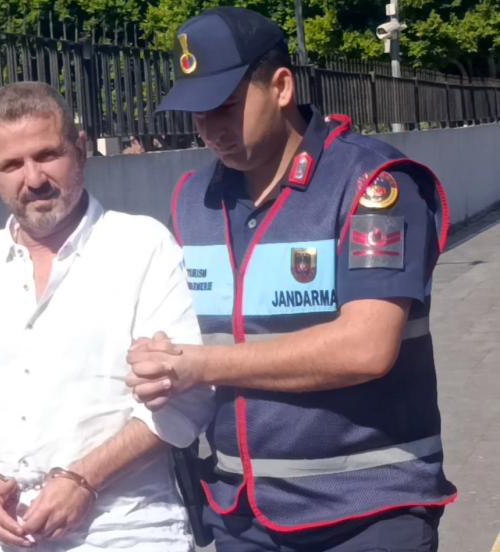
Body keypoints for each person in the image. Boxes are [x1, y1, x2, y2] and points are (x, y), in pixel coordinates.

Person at [126, 7, 457, 551]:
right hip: (241, 516)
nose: (210, 129)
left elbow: (366, 348)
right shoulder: (191, 202)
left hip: (367, 514)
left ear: (281, 87)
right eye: (196, 113)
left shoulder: (371, 184)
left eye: (225, 107)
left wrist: (198, 364)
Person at [0, 81, 213, 551]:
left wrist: (84, 479)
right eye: (11, 165)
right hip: (0, 539)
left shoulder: (141, 247)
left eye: (47, 155)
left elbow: (186, 400)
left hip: (125, 533)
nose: (33, 177)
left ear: (80, 149)